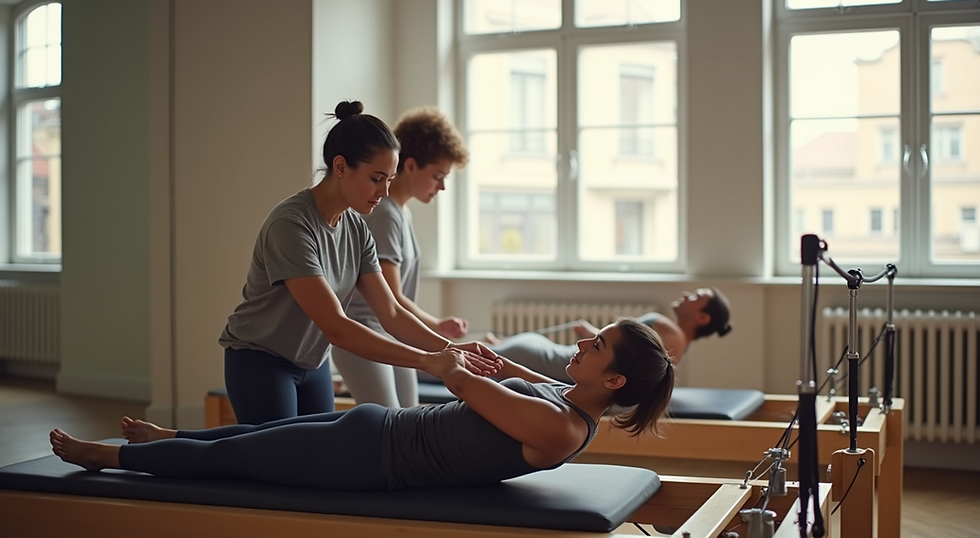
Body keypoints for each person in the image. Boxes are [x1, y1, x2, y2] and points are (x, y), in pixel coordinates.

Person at [50, 319, 676, 492]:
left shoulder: (563, 430)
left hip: (368, 459)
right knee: (244, 438)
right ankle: (166, 436)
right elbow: (512, 380)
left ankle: (110, 458)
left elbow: (462, 384)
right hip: (376, 429)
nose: (581, 343)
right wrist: (498, 362)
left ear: (615, 381)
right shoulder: (564, 401)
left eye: (597, 346)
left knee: (237, 461)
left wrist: (447, 353)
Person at [218, 100, 498, 425]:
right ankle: (168, 440)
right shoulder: (291, 224)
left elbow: (391, 312)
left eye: (389, 180)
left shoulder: (357, 227)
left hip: (312, 362)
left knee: (319, 461)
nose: (384, 191)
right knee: (267, 461)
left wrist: (451, 349)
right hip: (260, 359)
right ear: (340, 166)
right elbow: (336, 326)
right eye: (376, 178)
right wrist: (429, 361)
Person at [333, 106, 471, 408]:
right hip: (367, 332)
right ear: (409, 166)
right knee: (392, 426)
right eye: (437, 176)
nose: (442, 186)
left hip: (391, 333)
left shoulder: (399, 213)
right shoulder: (385, 215)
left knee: (407, 422)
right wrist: (434, 326)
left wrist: (434, 329)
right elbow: (392, 297)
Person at [485, 287, 732, 384]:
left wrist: (593, 334)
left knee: (461, 356)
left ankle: (498, 347)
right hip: (541, 353)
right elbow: (624, 351)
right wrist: (592, 333)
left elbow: (625, 359)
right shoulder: (676, 341)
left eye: (696, 297)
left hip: (548, 359)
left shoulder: (671, 333)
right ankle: (501, 346)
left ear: (703, 317)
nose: (687, 294)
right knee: (471, 354)